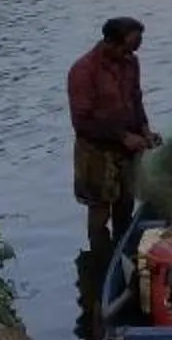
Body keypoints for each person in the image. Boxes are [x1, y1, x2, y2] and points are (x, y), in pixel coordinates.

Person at [68, 16, 160, 248]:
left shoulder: (131, 63)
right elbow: (82, 121)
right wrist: (124, 137)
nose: (130, 55)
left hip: (127, 149)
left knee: (126, 203)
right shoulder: (84, 70)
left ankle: (123, 248)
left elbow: (136, 99)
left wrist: (145, 130)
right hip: (96, 152)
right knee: (99, 210)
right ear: (109, 42)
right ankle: (99, 256)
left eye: (135, 49)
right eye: (126, 49)